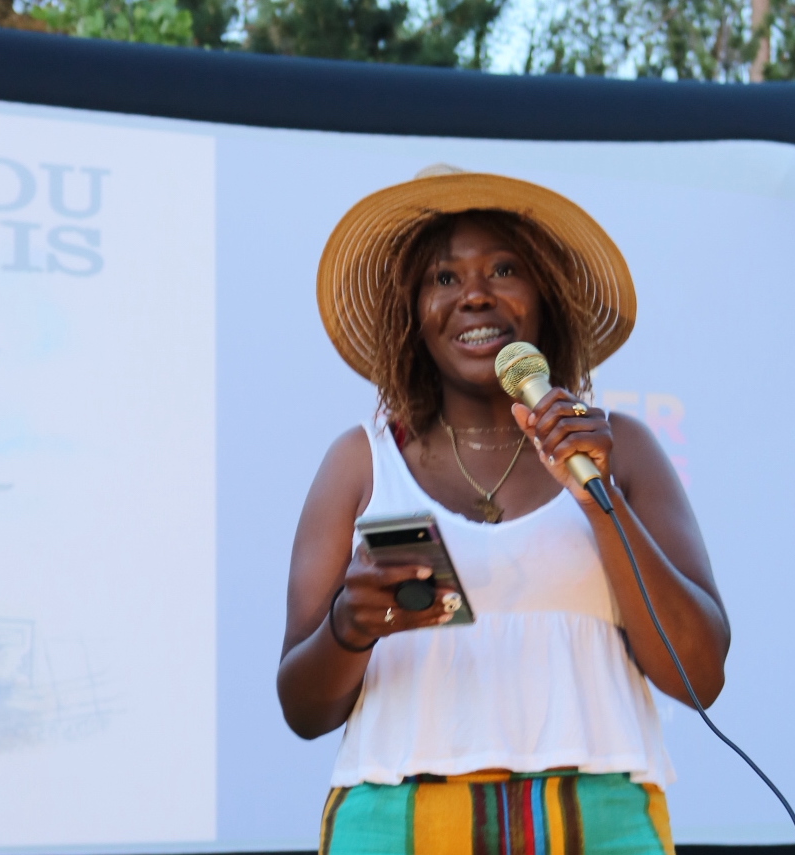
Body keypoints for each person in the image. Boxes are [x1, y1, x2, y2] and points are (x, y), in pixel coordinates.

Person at [278, 166, 730, 855]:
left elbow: (699, 676)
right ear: (414, 311)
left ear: (544, 296)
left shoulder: (621, 448)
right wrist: (349, 625)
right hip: (396, 823)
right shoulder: (361, 462)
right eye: (444, 278)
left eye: (504, 268)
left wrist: (599, 502)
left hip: (598, 821)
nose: (475, 296)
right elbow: (303, 708)